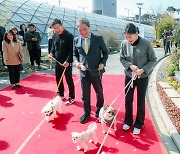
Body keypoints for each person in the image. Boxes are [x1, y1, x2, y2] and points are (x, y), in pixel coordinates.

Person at [120, 23, 157, 135]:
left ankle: (139, 123)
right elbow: (122, 58)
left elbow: (153, 60)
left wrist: (143, 69)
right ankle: (128, 121)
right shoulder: (124, 43)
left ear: (136, 34)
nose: (128, 39)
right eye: (126, 37)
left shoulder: (146, 44)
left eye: (130, 37)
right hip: (129, 75)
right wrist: (130, 66)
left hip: (142, 77)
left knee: (140, 101)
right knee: (128, 99)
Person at [73, 18, 108, 123]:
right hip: (83, 72)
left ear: (89, 27)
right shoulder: (76, 40)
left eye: (85, 29)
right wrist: (76, 62)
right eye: (80, 30)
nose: (83, 32)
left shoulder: (98, 38)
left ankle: (99, 110)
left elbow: (106, 52)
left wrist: (102, 63)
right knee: (85, 94)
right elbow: (74, 54)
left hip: (96, 71)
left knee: (99, 92)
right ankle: (87, 112)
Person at [48, 18, 75, 105]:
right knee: (58, 79)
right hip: (58, 62)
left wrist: (68, 61)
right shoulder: (54, 35)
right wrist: (51, 53)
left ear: (61, 25)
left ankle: (72, 97)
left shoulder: (69, 36)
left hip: (67, 63)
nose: (56, 30)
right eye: (54, 28)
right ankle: (61, 94)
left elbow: (72, 50)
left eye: (57, 27)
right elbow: (53, 47)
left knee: (69, 80)